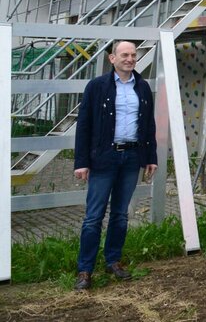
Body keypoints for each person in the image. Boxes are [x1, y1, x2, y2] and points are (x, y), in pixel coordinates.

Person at [73, 40, 158, 291]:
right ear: (112, 58)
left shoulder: (142, 88)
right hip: (104, 159)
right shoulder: (96, 87)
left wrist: (150, 157)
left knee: (120, 215)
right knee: (93, 217)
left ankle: (113, 261)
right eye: (124, 55)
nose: (130, 59)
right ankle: (85, 269)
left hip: (131, 158)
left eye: (133, 55)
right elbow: (84, 126)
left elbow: (148, 126)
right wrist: (82, 162)